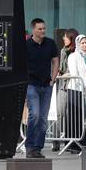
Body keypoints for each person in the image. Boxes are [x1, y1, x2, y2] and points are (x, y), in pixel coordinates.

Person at [25, 18, 60, 158]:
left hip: (46, 85)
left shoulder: (50, 43)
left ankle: (37, 148)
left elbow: (56, 61)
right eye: (40, 29)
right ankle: (30, 147)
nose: (43, 31)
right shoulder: (26, 45)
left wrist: (52, 79)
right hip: (31, 84)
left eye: (44, 28)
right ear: (33, 29)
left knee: (43, 119)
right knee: (35, 115)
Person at [52, 28, 77, 152]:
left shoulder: (77, 52)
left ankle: (69, 141)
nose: (63, 39)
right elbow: (61, 68)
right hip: (63, 85)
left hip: (73, 86)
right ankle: (56, 140)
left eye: (66, 37)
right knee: (59, 113)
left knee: (71, 115)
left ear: (71, 38)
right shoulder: (63, 51)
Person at [66, 34, 86, 152]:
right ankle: (73, 144)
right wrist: (84, 86)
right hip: (76, 90)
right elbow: (75, 74)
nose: (85, 45)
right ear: (77, 44)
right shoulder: (73, 56)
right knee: (75, 116)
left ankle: (85, 142)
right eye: (82, 43)